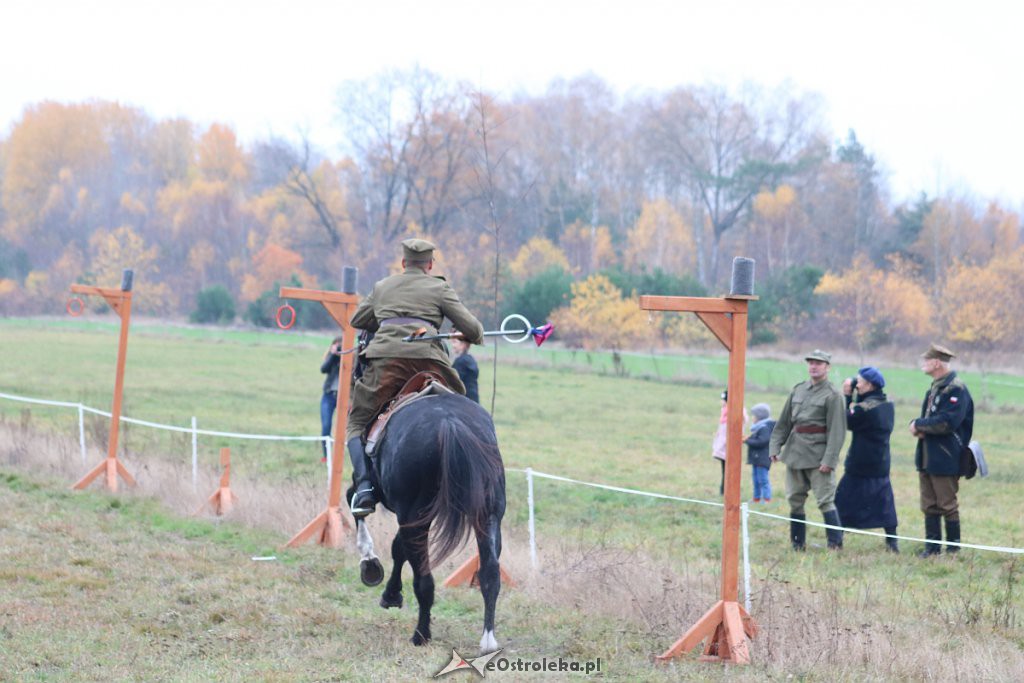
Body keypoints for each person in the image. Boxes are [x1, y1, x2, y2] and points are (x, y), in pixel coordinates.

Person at [346, 238, 484, 518]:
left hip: (387, 363)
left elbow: (358, 320)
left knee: (357, 421)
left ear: (403, 263)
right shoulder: (440, 287)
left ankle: (363, 489)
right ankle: (476, 474)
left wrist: (386, 318)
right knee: (463, 411)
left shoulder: (383, 287)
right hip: (430, 362)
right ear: (430, 265)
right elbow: (474, 329)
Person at [769, 350, 846, 550]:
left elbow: (837, 432)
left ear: (827, 367)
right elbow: (784, 422)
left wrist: (829, 461)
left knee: (825, 501)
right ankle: (797, 544)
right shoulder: (798, 390)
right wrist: (775, 446)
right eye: (811, 362)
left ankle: (835, 545)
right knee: (794, 499)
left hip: (818, 456)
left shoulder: (833, 395)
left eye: (819, 363)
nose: (814, 366)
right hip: (794, 452)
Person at [910, 343, 974, 557]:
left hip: (946, 456)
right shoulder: (935, 388)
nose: (923, 364)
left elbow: (947, 423)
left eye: (926, 360)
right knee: (929, 504)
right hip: (929, 456)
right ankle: (932, 548)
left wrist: (918, 425)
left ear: (936, 362)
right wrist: (921, 427)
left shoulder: (956, 389)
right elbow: (932, 421)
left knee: (947, 504)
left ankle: (953, 550)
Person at [834, 367, 899, 553]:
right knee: (885, 504)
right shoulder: (887, 405)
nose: (857, 384)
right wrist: (857, 394)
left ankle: (836, 541)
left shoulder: (864, 410)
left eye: (860, 382)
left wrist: (847, 396)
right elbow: (865, 406)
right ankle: (892, 543)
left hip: (860, 464)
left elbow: (845, 419)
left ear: (869, 385)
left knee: (842, 502)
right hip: (881, 462)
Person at [711, 390, 749, 495]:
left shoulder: (735, 412)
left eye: (723, 400)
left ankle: (727, 490)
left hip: (728, 446)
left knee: (729, 469)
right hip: (723, 446)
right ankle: (724, 490)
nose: (722, 402)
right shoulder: (725, 411)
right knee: (725, 469)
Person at [319, 336, 343, 462]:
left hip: (344, 398)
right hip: (329, 395)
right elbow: (323, 369)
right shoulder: (332, 358)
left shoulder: (350, 358)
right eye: (338, 345)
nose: (340, 348)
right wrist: (334, 355)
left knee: (346, 428)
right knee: (326, 426)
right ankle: (326, 456)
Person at [745, 403, 775, 503]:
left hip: (763, 459)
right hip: (756, 459)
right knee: (756, 480)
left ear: (759, 416)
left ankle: (766, 498)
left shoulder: (764, 428)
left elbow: (762, 442)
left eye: (754, 415)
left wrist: (747, 441)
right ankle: (756, 498)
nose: (752, 417)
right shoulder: (758, 427)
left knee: (763, 480)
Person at [451, 337, 479, 403]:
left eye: (455, 342)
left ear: (463, 345)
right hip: (474, 399)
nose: (453, 345)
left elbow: (454, 383)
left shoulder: (460, 361)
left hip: (464, 401)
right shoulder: (470, 359)